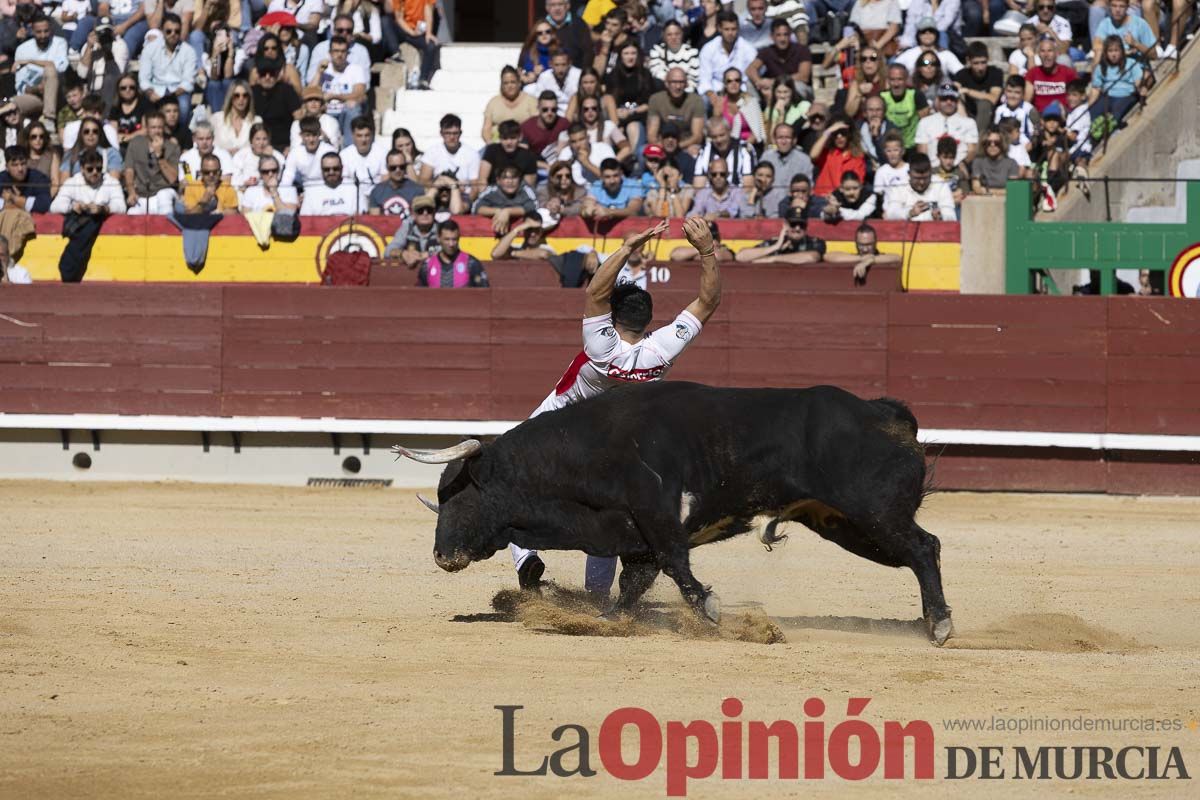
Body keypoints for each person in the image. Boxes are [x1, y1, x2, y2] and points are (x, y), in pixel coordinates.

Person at [509, 217, 721, 596]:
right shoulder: (660, 350)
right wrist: (706, 250)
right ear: (649, 320)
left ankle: (526, 557)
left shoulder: (600, 347)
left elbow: (594, 292)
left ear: (612, 316)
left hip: (551, 432)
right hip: (608, 450)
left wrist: (628, 248)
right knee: (608, 515)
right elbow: (708, 301)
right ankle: (597, 600)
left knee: (510, 488)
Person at [50, 150, 127, 282]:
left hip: (97, 221)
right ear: (81, 168)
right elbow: (55, 206)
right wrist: (73, 207)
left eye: (98, 168)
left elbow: (121, 206)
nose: (95, 172)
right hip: (80, 223)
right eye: (90, 169)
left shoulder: (110, 181)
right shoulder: (72, 181)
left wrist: (103, 209)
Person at [138, 14, 197, 125]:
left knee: (183, 106)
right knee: (145, 105)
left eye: (177, 31)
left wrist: (172, 96)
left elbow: (188, 81)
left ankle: (180, 136)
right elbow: (144, 78)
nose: (173, 34)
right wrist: (150, 92)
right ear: (162, 31)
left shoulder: (189, 51)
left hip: (178, 91)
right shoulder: (150, 49)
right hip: (155, 89)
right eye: (169, 31)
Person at [309, 36, 367, 145]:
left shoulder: (355, 69)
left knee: (353, 107)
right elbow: (310, 93)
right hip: (325, 113)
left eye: (343, 51)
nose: (339, 55)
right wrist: (318, 73)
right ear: (330, 53)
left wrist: (334, 96)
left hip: (345, 112)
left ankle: (349, 149)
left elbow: (359, 93)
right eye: (336, 51)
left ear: (347, 53)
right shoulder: (324, 70)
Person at [12, 13, 66, 126]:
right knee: (8, 106)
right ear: (32, 31)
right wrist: (37, 89)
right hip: (35, 96)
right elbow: (20, 86)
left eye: (46, 31)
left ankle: (49, 120)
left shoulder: (60, 43)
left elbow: (61, 67)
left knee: (50, 70)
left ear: (50, 30)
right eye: (39, 32)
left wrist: (30, 61)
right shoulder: (22, 49)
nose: (43, 35)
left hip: (58, 94)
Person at [124, 111, 181, 215]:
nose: (157, 131)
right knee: (132, 214)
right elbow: (129, 170)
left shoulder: (173, 148)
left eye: (159, 127)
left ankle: (165, 230)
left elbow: (173, 179)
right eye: (153, 127)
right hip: (142, 194)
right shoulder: (135, 143)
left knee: (164, 198)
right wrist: (131, 191)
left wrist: (160, 156)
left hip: (164, 191)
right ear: (146, 129)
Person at [697, 10, 757, 109]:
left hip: (741, 92)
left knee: (752, 101)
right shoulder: (708, 49)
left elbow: (749, 78)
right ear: (719, 29)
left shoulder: (748, 49)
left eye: (733, 29)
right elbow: (704, 79)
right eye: (726, 29)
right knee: (702, 101)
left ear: (738, 29)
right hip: (715, 92)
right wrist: (712, 96)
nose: (730, 33)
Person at [1087, 33, 1149, 123]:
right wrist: (1088, 106)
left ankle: (1113, 133)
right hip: (1108, 96)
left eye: (1116, 50)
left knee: (1115, 115)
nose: (1113, 54)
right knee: (1093, 112)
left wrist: (1142, 87)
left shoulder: (1131, 63)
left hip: (1126, 95)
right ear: (1106, 53)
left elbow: (1138, 82)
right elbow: (1096, 89)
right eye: (1110, 51)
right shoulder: (1101, 67)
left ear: (1122, 51)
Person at [747, 17, 814, 97]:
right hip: (774, 88)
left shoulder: (802, 50)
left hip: (794, 86)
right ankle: (756, 109)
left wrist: (774, 82)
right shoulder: (767, 51)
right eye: (778, 35)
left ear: (790, 35)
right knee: (749, 84)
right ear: (772, 37)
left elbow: (803, 76)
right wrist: (759, 82)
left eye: (785, 34)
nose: (782, 39)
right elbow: (750, 69)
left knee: (798, 86)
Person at [419, 113, 481, 200]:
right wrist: (443, 183)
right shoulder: (432, 152)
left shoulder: (472, 154)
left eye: (455, 133)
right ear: (441, 133)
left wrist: (468, 205)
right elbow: (423, 181)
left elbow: (475, 187)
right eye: (448, 133)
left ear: (460, 133)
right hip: (438, 195)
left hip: (462, 197)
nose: (452, 137)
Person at [915, 83, 979, 164]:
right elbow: (922, 153)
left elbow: (972, 151)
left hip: (959, 168)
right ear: (938, 100)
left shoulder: (969, 123)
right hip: (933, 169)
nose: (948, 102)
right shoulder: (925, 122)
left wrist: (962, 166)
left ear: (957, 101)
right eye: (944, 99)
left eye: (952, 99)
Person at [810, 116, 867, 207]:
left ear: (849, 134)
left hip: (844, 201)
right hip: (822, 199)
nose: (839, 136)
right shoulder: (827, 153)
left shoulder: (857, 157)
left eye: (843, 133)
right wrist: (828, 132)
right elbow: (813, 155)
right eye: (835, 133)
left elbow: (856, 185)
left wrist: (837, 198)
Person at [646, 66, 706, 151]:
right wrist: (663, 146)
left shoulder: (696, 101)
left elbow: (697, 136)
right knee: (644, 151)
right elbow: (651, 135)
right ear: (667, 83)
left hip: (686, 144)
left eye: (681, 82)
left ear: (686, 84)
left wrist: (676, 147)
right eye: (674, 82)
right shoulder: (656, 99)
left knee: (695, 151)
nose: (678, 86)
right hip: (662, 144)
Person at [736, 207, 827, 263]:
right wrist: (776, 247)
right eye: (793, 224)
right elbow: (740, 256)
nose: (797, 228)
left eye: (801, 225)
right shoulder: (776, 242)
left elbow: (811, 257)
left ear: (806, 226)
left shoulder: (814, 242)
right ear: (785, 225)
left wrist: (773, 259)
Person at [884, 152, 957, 220]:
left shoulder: (941, 184)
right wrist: (910, 213)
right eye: (917, 178)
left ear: (931, 173)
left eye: (925, 178)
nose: (921, 182)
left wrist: (941, 216)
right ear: (909, 174)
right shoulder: (898, 186)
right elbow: (891, 214)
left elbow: (951, 216)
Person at [417, 220, 489, 288]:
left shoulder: (471, 263)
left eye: (454, 239)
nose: (451, 244)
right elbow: (420, 294)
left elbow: (484, 292)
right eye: (447, 239)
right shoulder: (428, 265)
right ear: (439, 238)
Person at [953, 41, 1005, 136]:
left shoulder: (995, 73)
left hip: (991, 115)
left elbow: (993, 98)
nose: (980, 67)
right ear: (968, 61)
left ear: (988, 59)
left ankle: (977, 137)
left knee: (984, 103)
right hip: (968, 114)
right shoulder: (961, 74)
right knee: (956, 101)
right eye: (976, 63)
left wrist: (968, 91)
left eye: (983, 62)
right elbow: (952, 93)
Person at [472, 164, 538, 234]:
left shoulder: (526, 190)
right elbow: (475, 207)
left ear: (520, 179)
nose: (510, 181)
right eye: (505, 178)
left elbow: (534, 207)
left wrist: (508, 211)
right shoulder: (492, 190)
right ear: (498, 180)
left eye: (514, 177)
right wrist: (498, 211)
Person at [824, 222, 901, 282]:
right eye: (861, 245)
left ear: (875, 242)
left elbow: (897, 257)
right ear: (856, 243)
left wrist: (871, 260)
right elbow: (827, 256)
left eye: (869, 245)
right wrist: (862, 259)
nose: (865, 249)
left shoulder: (882, 257)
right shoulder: (854, 257)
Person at [694, 116, 755, 189]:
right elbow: (698, 186)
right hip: (710, 197)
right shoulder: (704, 151)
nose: (719, 140)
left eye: (722, 135)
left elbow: (748, 186)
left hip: (738, 196)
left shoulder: (744, 149)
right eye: (714, 137)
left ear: (729, 132)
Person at [253, 64, 303, 153]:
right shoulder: (251, 93)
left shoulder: (287, 90)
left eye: (272, 74)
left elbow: (298, 118)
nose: (267, 77)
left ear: (278, 75)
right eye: (263, 74)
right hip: (259, 145)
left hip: (285, 145)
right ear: (257, 75)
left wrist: (292, 146)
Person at [482, 66, 538, 142]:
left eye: (513, 82)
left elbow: (537, 127)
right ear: (501, 85)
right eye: (506, 83)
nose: (510, 86)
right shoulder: (493, 102)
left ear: (519, 83)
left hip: (524, 146)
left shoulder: (531, 101)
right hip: (497, 145)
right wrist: (491, 145)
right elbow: (486, 130)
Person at [1024, 36, 1078, 113]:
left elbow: (1077, 96)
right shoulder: (1032, 73)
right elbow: (1026, 102)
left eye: (1050, 51)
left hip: (1062, 116)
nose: (1046, 54)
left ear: (1056, 54)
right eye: (1043, 51)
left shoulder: (1068, 72)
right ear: (1039, 54)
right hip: (1040, 117)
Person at [880, 63, 929, 149]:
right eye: (892, 80)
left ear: (906, 80)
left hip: (912, 146)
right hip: (890, 148)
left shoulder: (916, 95)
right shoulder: (882, 97)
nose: (896, 84)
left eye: (900, 79)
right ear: (888, 81)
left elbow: (926, 123)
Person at [282, 116, 336, 192]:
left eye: (314, 135)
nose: (311, 140)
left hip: (327, 190)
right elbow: (287, 178)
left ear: (319, 134)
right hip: (304, 191)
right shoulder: (295, 153)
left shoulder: (329, 150)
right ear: (301, 135)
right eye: (307, 135)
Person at [895, 15, 963, 75]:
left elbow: (961, 73)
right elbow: (893, 69)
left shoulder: (946, 54)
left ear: (936, 35)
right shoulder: (909, 54)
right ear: (918, 35)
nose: (927, 34)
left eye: (931, 31)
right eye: (923, 32)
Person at [479, 120, 539, 188]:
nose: (509, 142)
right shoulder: (491, 151)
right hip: (493, 193)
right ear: (500, 138)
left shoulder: (529, 156)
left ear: (520, 137)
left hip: (519, 194)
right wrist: (485, 196)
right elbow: (482, 181)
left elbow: (529, 186)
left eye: (513, 138)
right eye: (505, 138)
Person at [299, 152, 363, 214]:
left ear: (342, 168)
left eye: (335, 169)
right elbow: (306, 219)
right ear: (321, 170)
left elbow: (363, 216)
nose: (331, 172)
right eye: (326, 169)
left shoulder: (354, 189)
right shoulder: (311, 192)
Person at [1091, 0, 1156, 61]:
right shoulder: (1105, 24)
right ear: (1110, 7)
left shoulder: (1140, 24)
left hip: (1135, 67)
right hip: (1112, 69)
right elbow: (1097, 47)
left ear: (1127, 7)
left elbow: (1154, 55)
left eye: (1121, 6)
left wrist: (1136, 44)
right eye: (1114, 6)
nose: (1117, 10)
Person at [383, 193, 440, 263]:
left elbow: (450, 251)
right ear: (413, 214)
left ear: (434, 213)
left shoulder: (441, 229)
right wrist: (403, 254)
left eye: (429, 210)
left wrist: (429, 254)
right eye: (420, 211)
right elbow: (388, 251)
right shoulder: (407, 227)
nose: (425, 213)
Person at [760, 122, 814, 195]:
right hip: (768, 200)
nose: (784, 141)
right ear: (774, 140)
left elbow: (808, 188)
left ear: (794, 140)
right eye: (780, 138)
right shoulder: (767, 157)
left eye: (787, 138)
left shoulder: (804, 160)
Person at [520, 91, 571, 167]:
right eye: (545, 110)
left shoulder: (564, 124)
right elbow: (522, 156)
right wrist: (545, 166)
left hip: (560, 167)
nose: (549, 113)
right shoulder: (527, 127)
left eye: (553, 110)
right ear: (538, 108)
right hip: (535, 168)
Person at [647, 19, 700, 91]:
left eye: (677, 34)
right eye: (669, 34)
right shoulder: (657, 50)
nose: (673, 38)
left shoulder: (692, 52)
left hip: (686, 92)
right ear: (664, 36)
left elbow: (694, 80)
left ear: (682, 34)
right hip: (664, 91)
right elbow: (656, 73)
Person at [369, 148, 423, 216]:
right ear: (387, 167)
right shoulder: (377, 191)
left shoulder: (417, 190)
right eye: (393, 168)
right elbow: (374, 220)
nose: (398, 170)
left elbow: (419, 217)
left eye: (402, 167)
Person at [339, 114, 388, 188]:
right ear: (353, 135)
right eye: (359, 136)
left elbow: (385, 178)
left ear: (372, 135)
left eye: (367, 135)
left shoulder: (383, 153)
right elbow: (344, 182)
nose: (363, 140)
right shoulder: (344, 155)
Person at [543, 0, 595, 69]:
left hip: (576, 73)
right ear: (547, 8)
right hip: (547, 73)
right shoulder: (541, 26)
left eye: (560, 4)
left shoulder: (579, 24)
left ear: (567, 6)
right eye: (553, 5)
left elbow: (588, 53)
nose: (557, 8)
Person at [971, 126, 1022, 194]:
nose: (992, 145)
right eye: (988, 142)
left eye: (997, 142)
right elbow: (976, 187)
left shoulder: (1011, 163)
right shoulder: (978, 162)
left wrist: (988, 191)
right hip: (983, 201)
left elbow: (1013, 190)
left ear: (1003, 143)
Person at [0, 145, 51, 213]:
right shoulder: (1, 178)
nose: (20, 169)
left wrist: (14, 199)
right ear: (6, 167)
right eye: (15, 165)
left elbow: (44, 204)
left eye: (23, 164)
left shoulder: (38, 178)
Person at [290, 86, 342, 151]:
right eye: (309, 100)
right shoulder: (297, 124)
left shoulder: (331, 121)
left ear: (322, 104)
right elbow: (294, 149)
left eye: (317, 100)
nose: (313, 103)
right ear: (304, 104)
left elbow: (334, 148)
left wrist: (323, 136)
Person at [993, 74, 1040, 144]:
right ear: (1005, 92)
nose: (1012, 96)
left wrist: (1031, 144)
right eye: (1009, 91)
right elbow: (996, 132)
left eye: (1017, 92)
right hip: (1005, 147)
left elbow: (1035, 133)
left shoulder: (1029, 110)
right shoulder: (1000, 110)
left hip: (1025, 148)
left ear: (1023, 93)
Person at [533, 49, 581, 116]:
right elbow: (538, 100)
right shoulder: (544, 77)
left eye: (563, 65)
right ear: (550, 64)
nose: (560, 69)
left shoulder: (578, 75)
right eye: (557, 65)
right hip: (551, 113)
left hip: (575, 113)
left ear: (569, 64)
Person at [491, 215, 556, 261]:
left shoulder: (546, 248)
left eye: (536, 230)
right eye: (529, 229)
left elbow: (543, 255)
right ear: (523, 230)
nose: (532, 234)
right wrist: (516, 230)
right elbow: (495, 254)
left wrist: (513, 253)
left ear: (541, 232)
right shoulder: (515, 247)